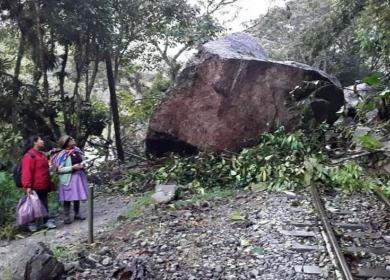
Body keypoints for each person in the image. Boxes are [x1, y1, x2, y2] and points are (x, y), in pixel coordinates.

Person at [21, 135, 57, 232]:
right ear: (34, 142)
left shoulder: (41, 154)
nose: (42, 141)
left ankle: (46, 221)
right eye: (40, 139)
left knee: (44, 203)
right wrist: (28, 186)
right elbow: (26, 172)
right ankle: (32, 224)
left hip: (44, 184)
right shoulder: (29, 156)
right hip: (34, 185)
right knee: (33, 204)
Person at [51, 135, 88, 224]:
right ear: (66, 143)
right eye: (71, 139)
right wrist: (72, 167)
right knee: (67, 198)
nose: (73, 140)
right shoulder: (62, 155)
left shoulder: (77, 151)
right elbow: (59, 169)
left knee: (77, 197)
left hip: (78, 177)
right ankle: (66, 217)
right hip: (68, 179)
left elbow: (82, 160)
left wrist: (83, 165)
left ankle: (77, 214)